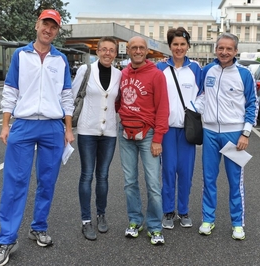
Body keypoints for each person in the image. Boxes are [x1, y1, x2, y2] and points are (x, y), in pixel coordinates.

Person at [0, 9, 74, 266]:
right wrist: (5, 125)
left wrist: (68, 129)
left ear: (57, 31)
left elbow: (67, 97)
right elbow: (10, 90)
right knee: (15, 183)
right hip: (24, 125)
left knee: (47, 182)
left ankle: (38, 226)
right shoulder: (21, 55)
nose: (48, 30)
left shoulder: (61, 60)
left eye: (54, 26)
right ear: (37, 25)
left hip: (52, 127)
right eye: (45, 24)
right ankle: (6, 238)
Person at [195, 33, 258, 240]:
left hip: (234, 134)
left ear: (235, 51)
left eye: (229, 49)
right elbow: (201, 97)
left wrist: (245, 133)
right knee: (209, 179)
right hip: (210, 132)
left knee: (235, 181)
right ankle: (208, 219)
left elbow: (252, 104)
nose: (224, 52)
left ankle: (238, 223)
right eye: (221, 48)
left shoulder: (244, 74)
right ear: (216, 49)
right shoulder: (207, 71)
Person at [116, 36, 169, 245]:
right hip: (126, 134)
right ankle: (135, 221)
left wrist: (158, 139)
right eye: (134, 48)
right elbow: (117, 101)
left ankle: (155, 226)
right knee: (129, 182)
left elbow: (163, 109)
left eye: (141, 48)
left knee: (153, 184)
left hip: (148, 136)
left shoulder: (156, 75)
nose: (137, 51)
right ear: (128, 50)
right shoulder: (123, 74)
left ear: (147, 51)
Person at [72, 37, 122, 241]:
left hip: (109, 132)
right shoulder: (86, 71)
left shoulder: (119, 74)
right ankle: (86, 220)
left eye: (111, 50)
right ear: (97, 51)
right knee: (86, 175)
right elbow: (72, 96)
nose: (107, 53)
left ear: (116, 53)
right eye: (104, 49)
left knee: (103, 176)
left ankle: (101, 215)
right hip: (87, 130)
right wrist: (66, 127)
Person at [156, 27, 202, 229]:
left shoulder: (196, 69)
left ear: (188, 46)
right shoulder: (160, 68)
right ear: (170, 46)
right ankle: (168, 211)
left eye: (183, 44)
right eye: (175, 44)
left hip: (186, 130)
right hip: (166, 130)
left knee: (185, 171)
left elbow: (202, 96)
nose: (179, 48)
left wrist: (192, 109)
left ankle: (183, 211)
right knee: (168, 171)